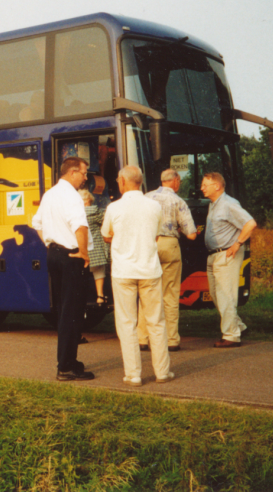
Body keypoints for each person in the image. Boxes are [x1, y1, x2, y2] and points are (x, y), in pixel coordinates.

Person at [101, 165, 173, 386]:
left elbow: (105, 235)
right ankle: (162, 372)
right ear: (140, 182)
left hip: (123, 272)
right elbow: (157, 235)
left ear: (122, 181)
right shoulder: (154, 206)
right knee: (156, 322)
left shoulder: (113, 208)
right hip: (150, 270)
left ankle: (133, 374)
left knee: (126, 322)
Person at [32, 157, 93, 381]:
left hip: (54, 255)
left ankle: (70, 361)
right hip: (71, 256)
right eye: (84, 173)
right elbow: (80, 226)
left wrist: (50, 244)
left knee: (64, 311)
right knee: (73, 312)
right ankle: (66, 366)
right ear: (72, 172)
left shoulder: (50, 194)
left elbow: (36, 223)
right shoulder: (72, 197)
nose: (86, 178)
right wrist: (84, 253)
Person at [138, 169, 197, 352]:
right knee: (170, 294)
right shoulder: (178, 201)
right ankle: (172, 340)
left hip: (149, 245)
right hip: (170, 246)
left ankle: (143, 338)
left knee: (147, 292)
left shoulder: (146, 198)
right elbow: (192, 235)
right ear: (176, 181)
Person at [201, 172, 257, 348]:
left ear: (217, 186)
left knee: (226, 295)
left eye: (205, 185)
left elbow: (250, 223)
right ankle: (238, 326)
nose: (202, 188)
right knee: (217, 295)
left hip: (226, 254)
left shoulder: (228, 204)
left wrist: (237, 244)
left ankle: (231, 336)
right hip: (214, 254)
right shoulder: (214, 205)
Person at [79, 188, 109, 307]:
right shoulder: (95, 212)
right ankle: (100, 296)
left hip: (82, 249)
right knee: (99, 272)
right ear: (88, 201)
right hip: (95, 249)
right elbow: (105, 221)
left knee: (82, 274)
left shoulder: (76, 214)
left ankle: (82, 297)